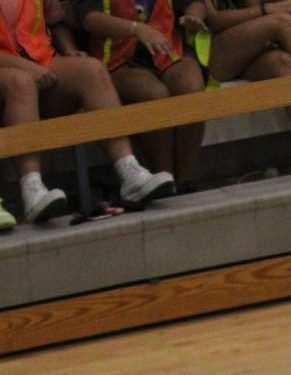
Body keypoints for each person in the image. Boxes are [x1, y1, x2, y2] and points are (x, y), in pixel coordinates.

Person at [0, 0, 173, 224]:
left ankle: (129, 172)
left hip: (39, 60)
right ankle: (32, 188)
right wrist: (27, 68)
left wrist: (69, 51)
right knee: (21, 82)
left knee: (92, 70)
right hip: (11, 72)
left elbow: (56, 22)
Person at [176, 0, 291, 172]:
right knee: (281, 21)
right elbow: (213, 20)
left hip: (246, 47)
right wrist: (266, 10)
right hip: (213, 55)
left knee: (282, 62)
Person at [74, 0, 206, 188]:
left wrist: (194, 15)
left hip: (167, 51)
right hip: (116, 59)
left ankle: (183, 181)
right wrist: (136, 29)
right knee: (154, 94)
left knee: (191, 86)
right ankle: (164, 178)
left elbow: (195, 3)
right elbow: (89, 19)